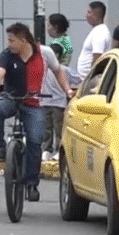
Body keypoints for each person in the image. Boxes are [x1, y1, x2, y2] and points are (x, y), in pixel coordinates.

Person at [0, 22, 73, 203]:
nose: (9, 44)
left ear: (23, 40)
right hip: (10, 99)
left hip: (34, 102)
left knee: (35, 140)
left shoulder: (44, 53)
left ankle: (32, 184)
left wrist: (68, 90)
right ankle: (0, 147)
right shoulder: (7, 55)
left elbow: (58, 71)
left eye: (12, 40)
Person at [42, 13, 77, 160]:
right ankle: (52, 149)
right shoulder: (66, 40)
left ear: (55, 27)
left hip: (55, 85)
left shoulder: (57, 45)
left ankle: (54, 149)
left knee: (54, 124)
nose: (47, 28)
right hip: (57, 84)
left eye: (49, 25)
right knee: (54, 123)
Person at [76, 1, 111, 80]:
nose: (86, 15)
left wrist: (91, 77)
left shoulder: (99, 33)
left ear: (96, 14)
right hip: (86, 77)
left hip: (89, 79)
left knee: (62, 70)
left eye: (89, 12)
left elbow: (97, 57)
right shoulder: (97, 30)